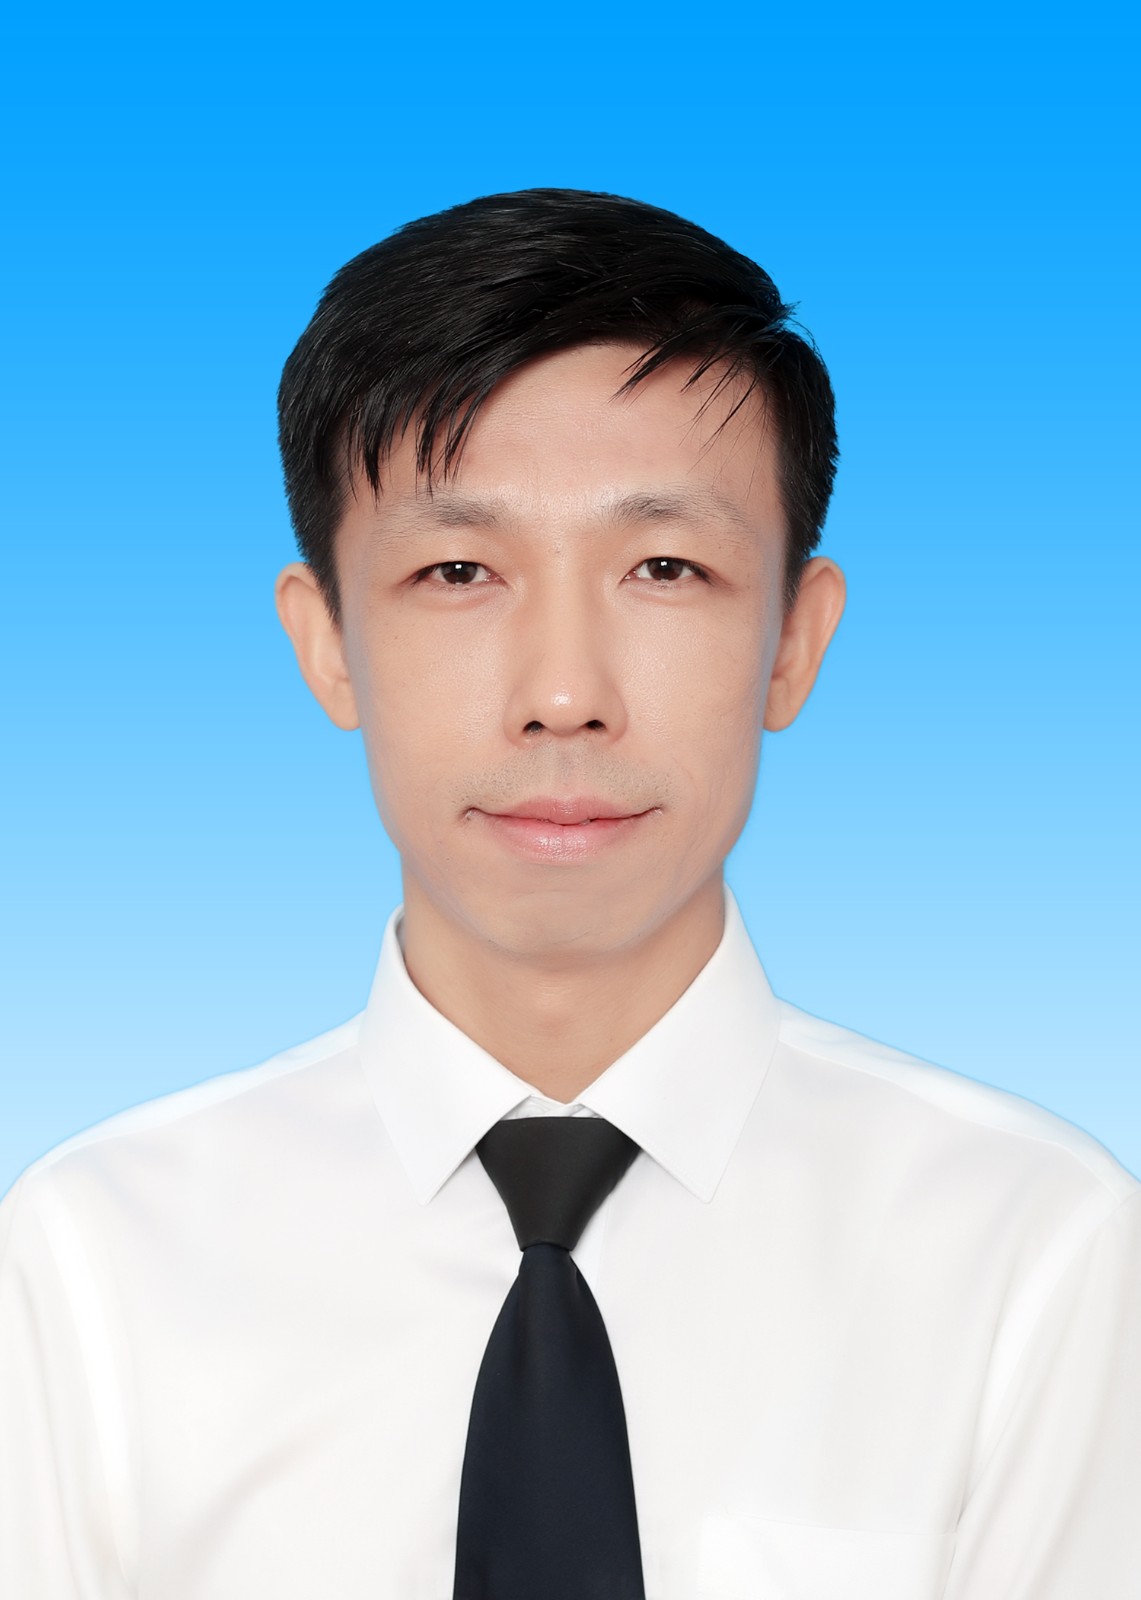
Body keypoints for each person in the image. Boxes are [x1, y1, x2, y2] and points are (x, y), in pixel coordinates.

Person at [1, 188, 1137, 1600]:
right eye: (457, 569)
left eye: (664, 567)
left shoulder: (1034, 1246)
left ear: (793, 642)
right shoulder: (92, 1260)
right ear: (327, 642)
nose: (561, 694)